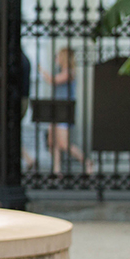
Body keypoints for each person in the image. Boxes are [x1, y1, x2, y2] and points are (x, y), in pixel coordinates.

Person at [39, 46, 92, 174]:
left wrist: (41, 70)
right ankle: (56, 169)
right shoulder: (63, 71)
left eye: (58, 56)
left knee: (63, 143)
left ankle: (86, 161)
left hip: (64, 110)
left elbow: (52, 80)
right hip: (56, 108)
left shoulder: (69, 72)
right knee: (52, 142)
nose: (56, 58)